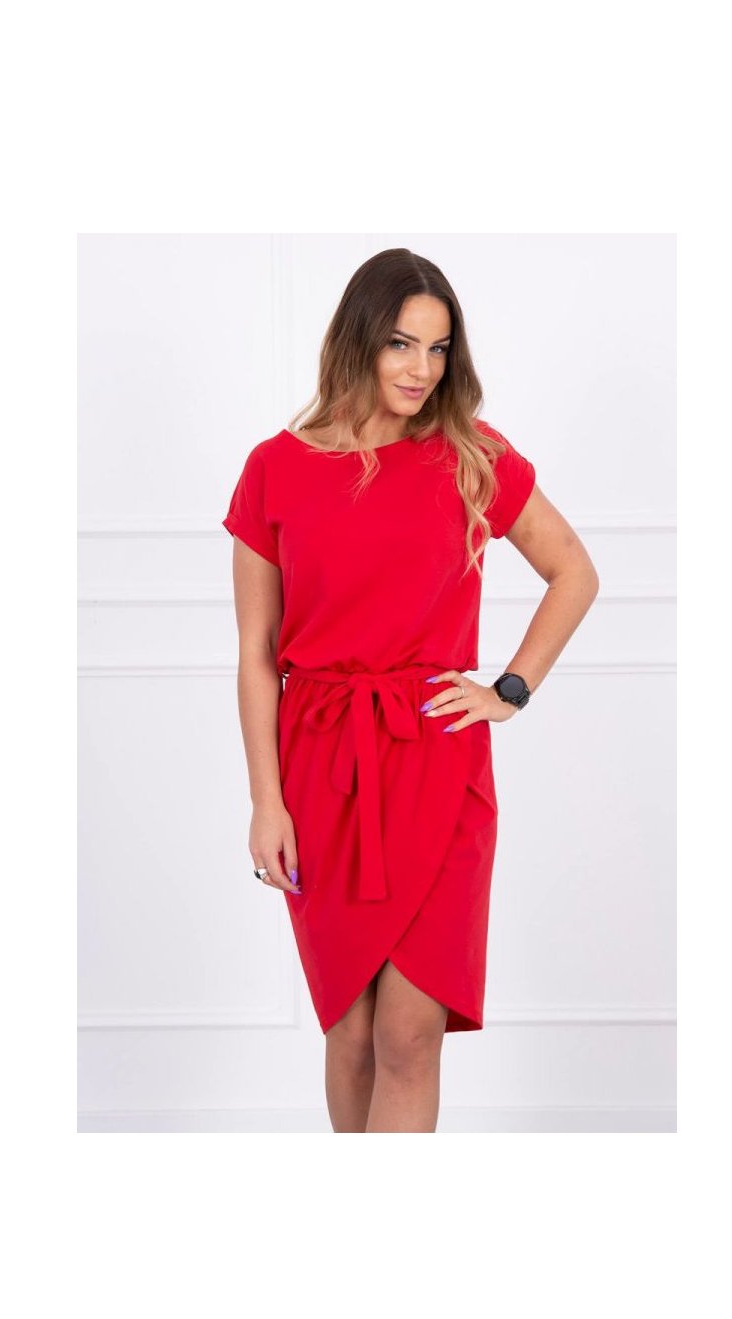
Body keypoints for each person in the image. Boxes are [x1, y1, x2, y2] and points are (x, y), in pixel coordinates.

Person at [222, 247, 599, 1133]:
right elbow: (256, 652)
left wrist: (509, 687)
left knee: (409, 1031)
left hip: (437, 761)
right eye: (401, 343)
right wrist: (266, 802)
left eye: (438, 348)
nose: (421, 369)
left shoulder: (472, 456)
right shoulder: (275, 467)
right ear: (357, 339)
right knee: (352, 1033)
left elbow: (574, 571)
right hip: (322, 767)